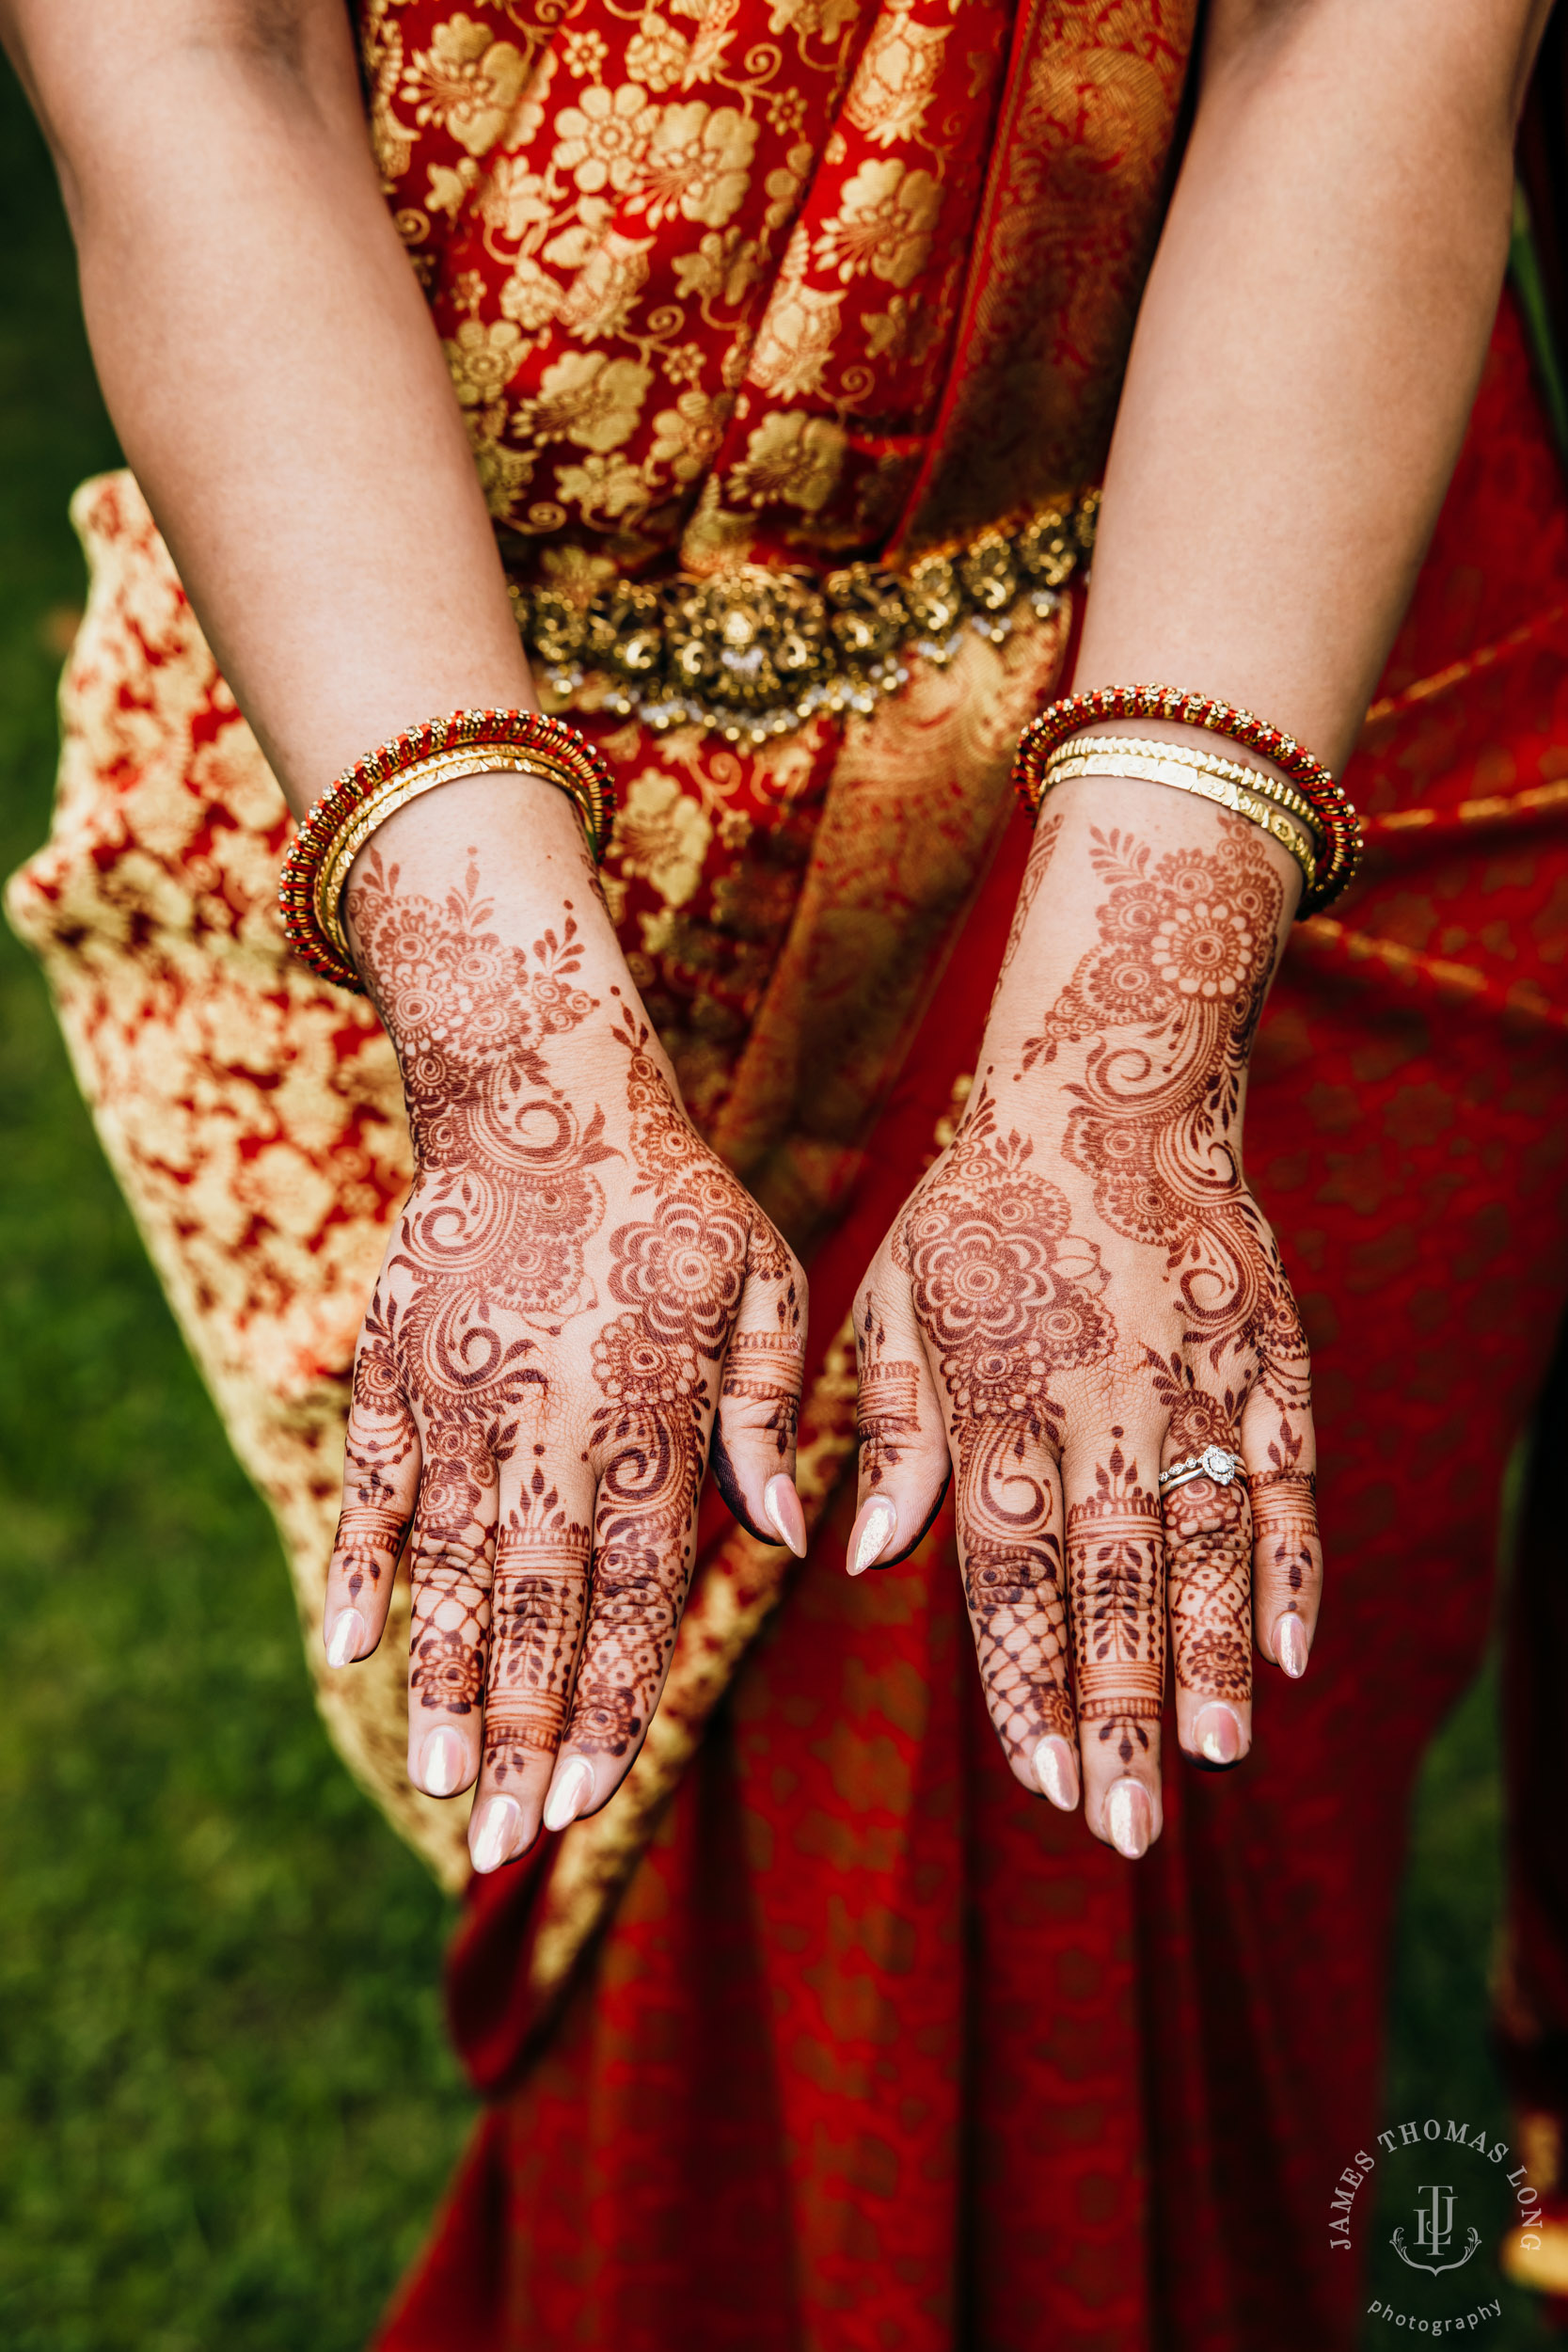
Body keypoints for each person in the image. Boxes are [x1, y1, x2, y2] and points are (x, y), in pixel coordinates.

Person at [4, 0, 1566, 2343]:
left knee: (1126, 1826)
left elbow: (1353, 43)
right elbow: (195, 59)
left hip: (1263, 661)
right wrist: (518, 1051)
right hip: (444, 704)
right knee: (724, 1931)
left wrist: (1125, 1051)